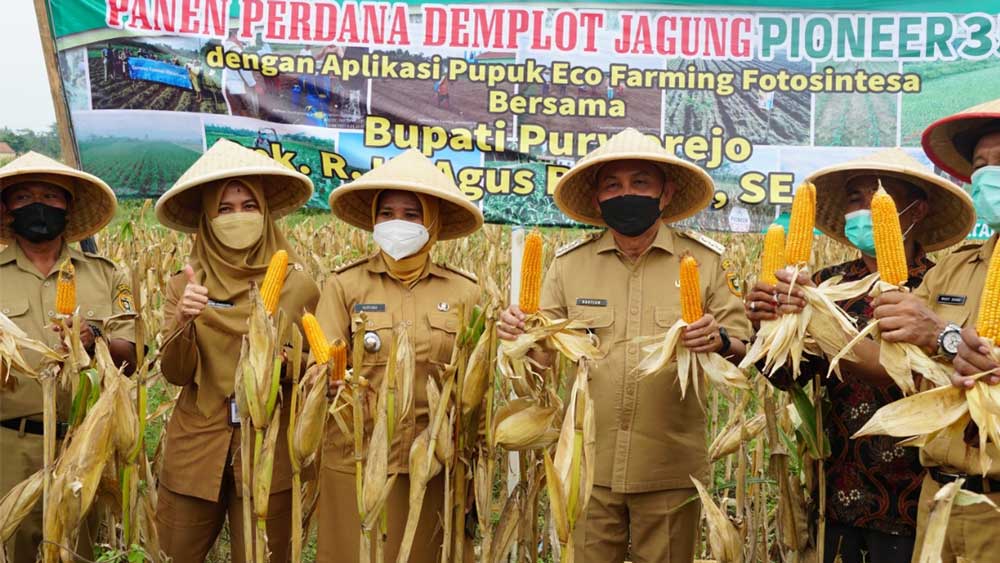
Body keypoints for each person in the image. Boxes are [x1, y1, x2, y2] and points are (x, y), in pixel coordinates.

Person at [498, 128, 752, 562]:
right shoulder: (567, 267)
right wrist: (520, 339)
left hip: (670, 468)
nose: (626, 193)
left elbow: (746, 346)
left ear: (665, 193)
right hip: (586, 465)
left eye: (640, 183)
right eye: (612, 186)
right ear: (597, 200)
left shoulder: (705, 262)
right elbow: (542, 358)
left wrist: (720, 338)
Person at [745, 148, 976, 563]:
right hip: (839, 486)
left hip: (917, 495)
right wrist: (765, 329)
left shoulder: (940, 287)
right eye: (855, 197)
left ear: (917, 210)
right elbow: (789, 378)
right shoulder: (823, 284)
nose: (864, 206)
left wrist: (819, 325)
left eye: (880, 196)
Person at [152, 139, 319, 563]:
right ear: (207, 220)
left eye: (249, 205)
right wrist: (184, 321)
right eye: (225, 209)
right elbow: (174, 373)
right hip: (197, 446)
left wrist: (282, 364)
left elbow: (314, 370)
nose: (238, 216)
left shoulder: (298, 286)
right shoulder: (184, 285)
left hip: (270, 451)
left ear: (265, 214)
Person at [314, 149, 483, 563]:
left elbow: (476, 387)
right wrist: (330, 378)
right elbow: (321, 362)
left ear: (432, 222)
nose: (397, 223)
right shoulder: (345, 286)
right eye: (386, 212)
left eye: (411, 214)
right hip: (356, 456)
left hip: (431, 463)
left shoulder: (465, 293)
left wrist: (474, 466)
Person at [872, 99, 1000, 562]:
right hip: (940, 499)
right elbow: (888, 355)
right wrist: (799, 311)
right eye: (982, 165)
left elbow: (943, 339)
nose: (990, 174)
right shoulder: (954, 269)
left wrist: (944, 337)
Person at [0, 152, 137, 563]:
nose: (37, 205)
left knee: (78, 550)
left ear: (68, 205)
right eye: (23, 197)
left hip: (85, 443)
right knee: (13, 548)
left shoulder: (108, 274)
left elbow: (131, 355)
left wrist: (92, 338)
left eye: (49, 196)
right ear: (7, 209)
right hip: (10, 444)